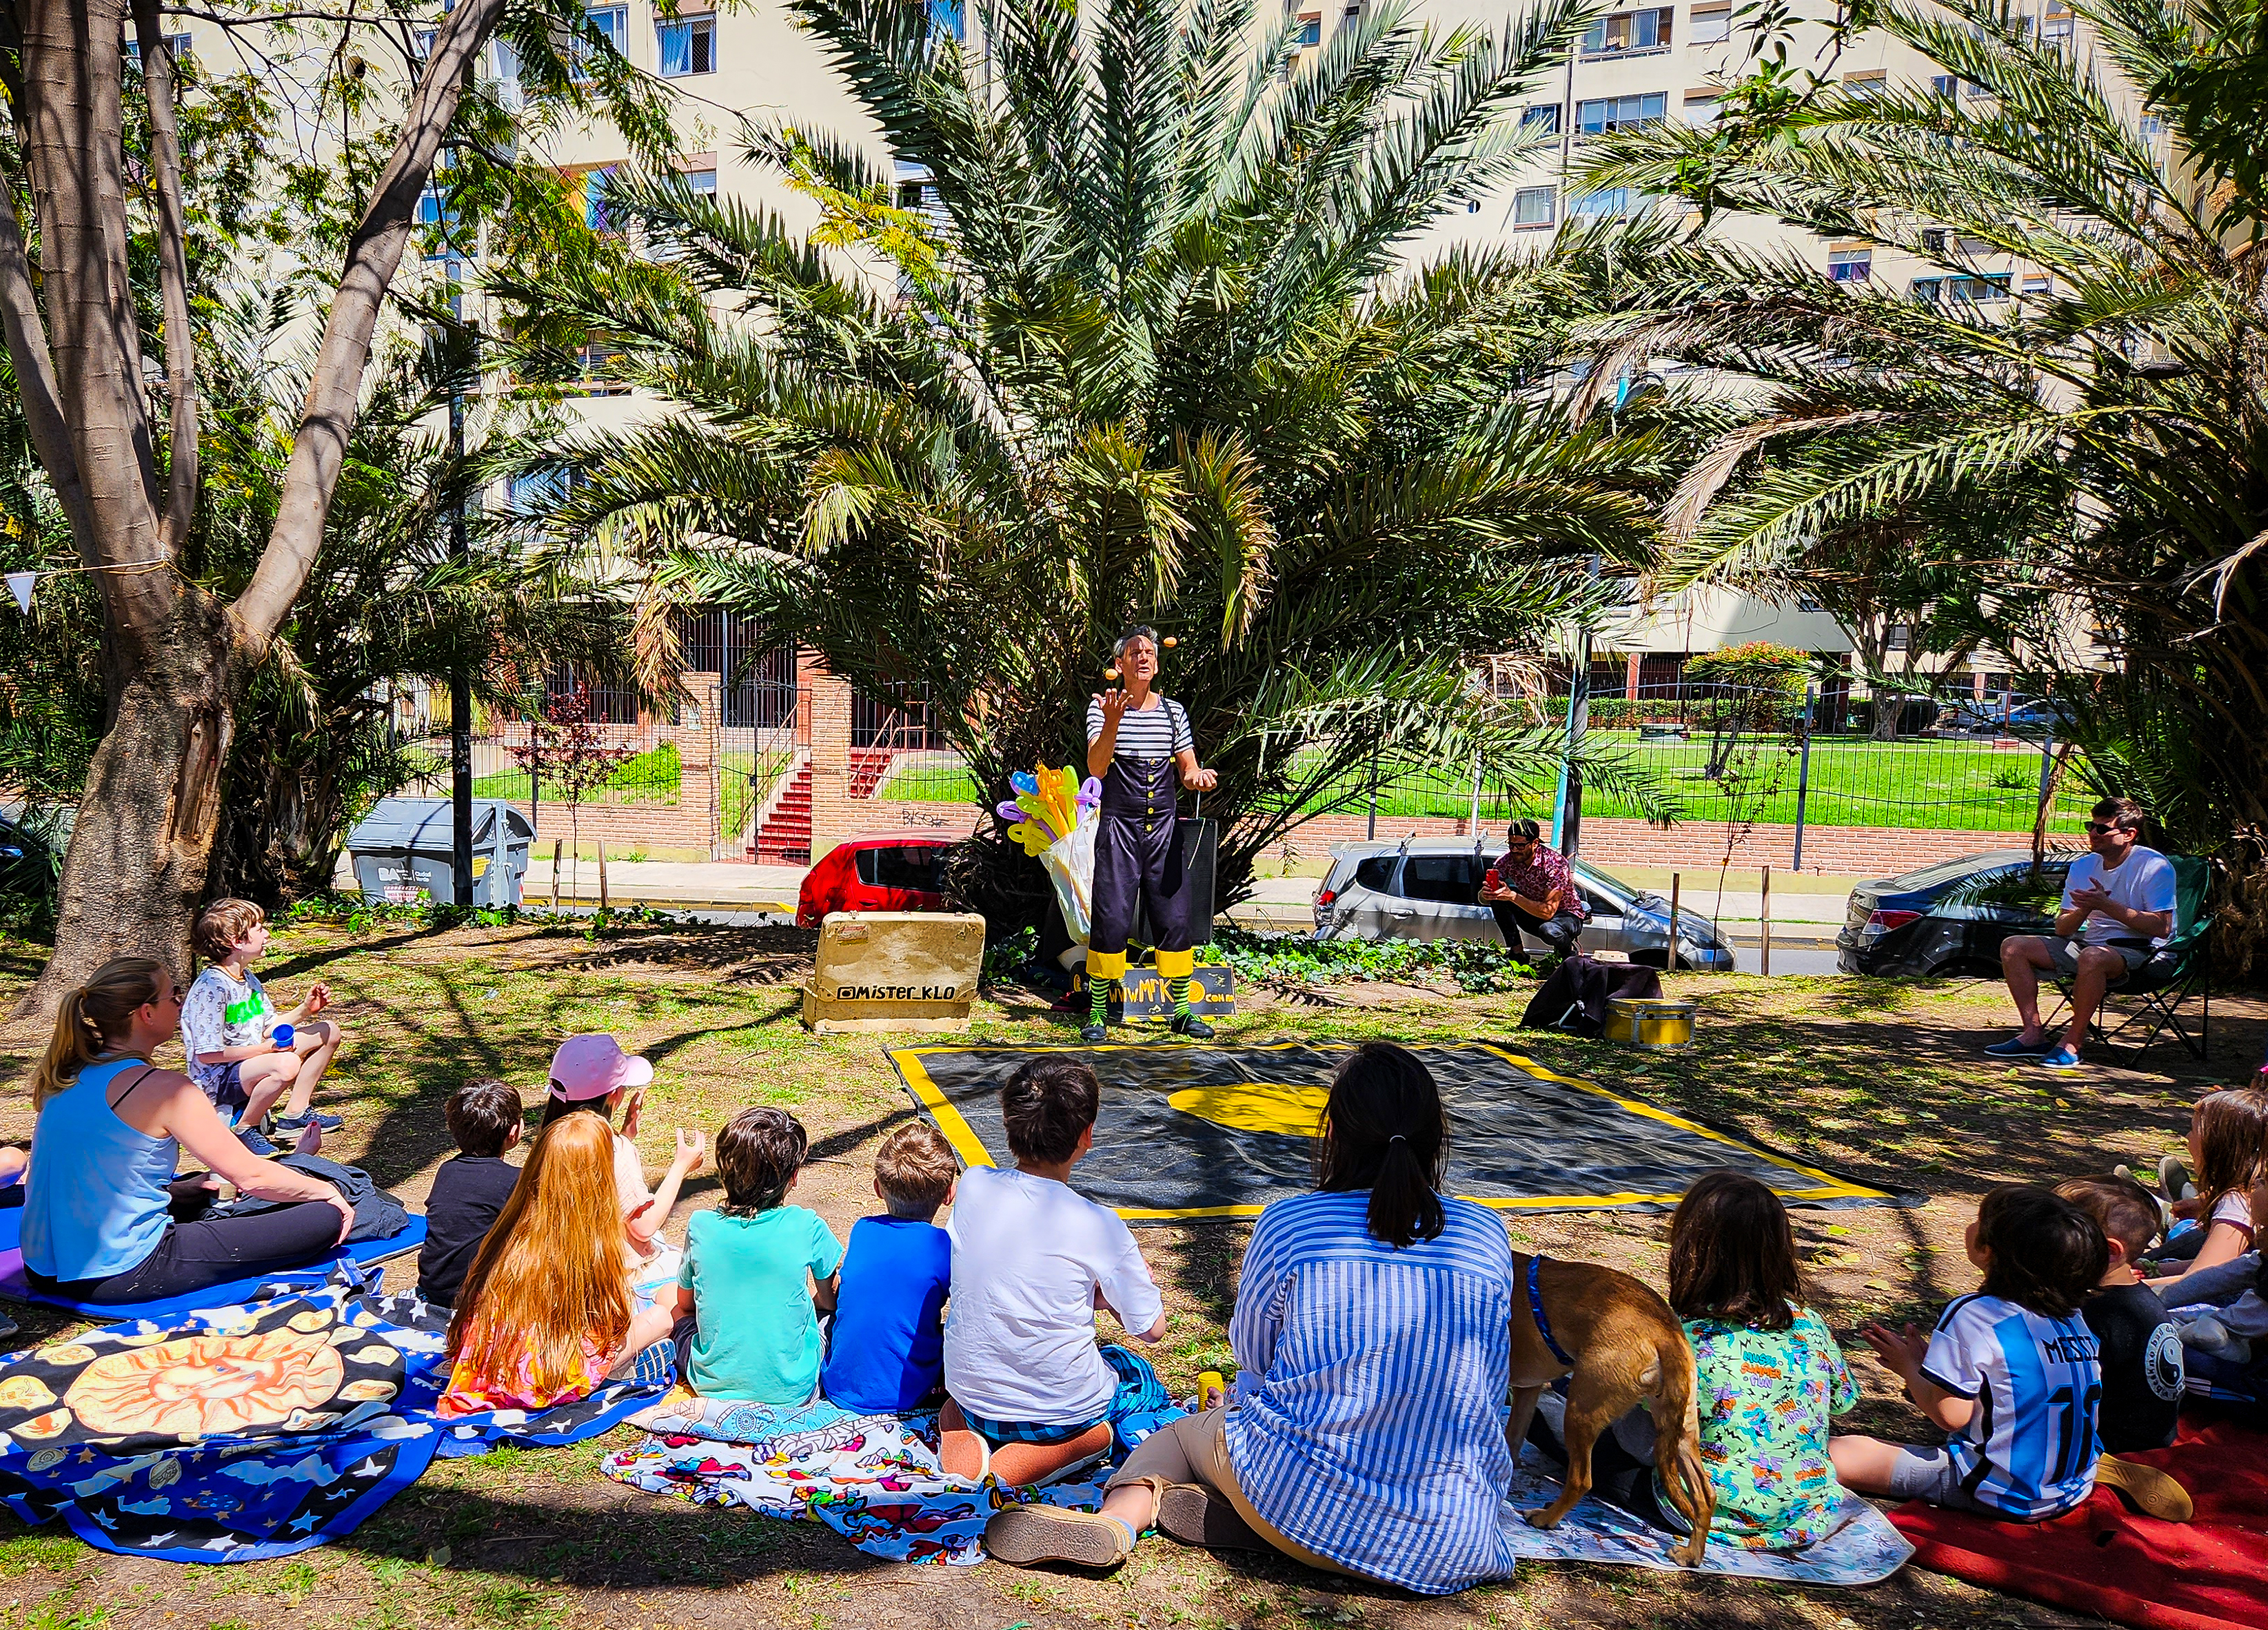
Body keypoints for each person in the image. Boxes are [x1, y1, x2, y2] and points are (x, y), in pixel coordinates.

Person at [984, 1043, 1523, 1595]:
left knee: (1175, 1437)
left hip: (1306, 1498)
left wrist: (1240, 1409)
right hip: (1460, 1536)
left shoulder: (1292, 1222)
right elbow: (1492, 1377)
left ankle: (1117, 1521)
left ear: (1332, 1132)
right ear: (1438, 1133)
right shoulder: (1487, 1233)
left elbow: (1255, 1354)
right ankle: (1252, 1526)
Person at [1526, 1170, 1861, 1551]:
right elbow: (1842, 1400)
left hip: (1696, 1505)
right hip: (1807, 1509)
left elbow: (1641, 1443)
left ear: (1689, 1250)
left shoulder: (1684, 1338)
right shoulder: (1811, 1325)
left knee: (1548, 1414)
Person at [23, 957, 356, 1305]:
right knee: (324, 1215)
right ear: (146, 1013)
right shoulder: (166, 1089)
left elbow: (90, 1169)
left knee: (202, 1186)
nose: (181, 1004)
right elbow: (251, 1176)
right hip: (120, 1272)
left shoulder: (64, 1076)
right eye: (174, 996)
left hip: (42, 1267)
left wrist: (181, 1191)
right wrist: (328, 1193)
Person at [1829, 1184, 2171, 1520]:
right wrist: (1929, 1368)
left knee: (1838, 1454)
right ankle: (2087, 1464)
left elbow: (1951, 1416)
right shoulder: (2073, 1316)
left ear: (1987, 1250)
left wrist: (1910, 1367)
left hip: (2001, 1492)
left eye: (1979, 1218)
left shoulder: (1976, 1313)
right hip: (2073, 1486)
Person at [942, 1058, 1168, 1485]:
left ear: (1008, 1120)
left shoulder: (973, 1184)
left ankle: (961, 1430)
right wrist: (1109, 1303)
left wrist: (1089, 1296)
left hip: (970, 1392)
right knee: (1136, 1375)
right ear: (1087, 1134)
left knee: (966, 1401)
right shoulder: (1100, 1224)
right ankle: (1071, 1447)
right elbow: (1151, 1329)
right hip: (1058, 1410)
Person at [438, 1112, 676, 1416]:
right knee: (663, 1314)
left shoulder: (512, 1228)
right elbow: (606, 1328)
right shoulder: (590, 1247)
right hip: (548, 1376)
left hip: (490, 1365)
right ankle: (624, 1373)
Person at [1081, 624, 1219, 1044]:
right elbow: (1097, 768)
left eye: (1150, 653)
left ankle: (1180, 1013)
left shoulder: (1174, 712)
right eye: (1136, 652)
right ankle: (1099, 1014)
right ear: (1119, 663)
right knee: (1112, 915)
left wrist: (1196, 777)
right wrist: (1112, 722)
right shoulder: (1100, 708)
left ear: (1156, 665)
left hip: (1164, 828)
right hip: (1119, 826)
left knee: (1174, 917)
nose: (1145, 657)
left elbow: (1186, 765)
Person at [665, 1108, 843, 1403]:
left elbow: (686, 1304)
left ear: (724, 1173)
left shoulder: (701, 1225)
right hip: (794, 1389)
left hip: (711, 1386)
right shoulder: (807, 1225)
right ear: (794, 1176)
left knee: (669, 1303)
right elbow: (828, 1301)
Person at [1989, 797, 2177, 1068]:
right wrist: (2084, 910)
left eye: (2102, 829)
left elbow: (2162, 927)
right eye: (2091, 826)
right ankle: (2032, 1034)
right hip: (2089, 943)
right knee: (2014, 946)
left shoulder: (2153, 866)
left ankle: (2073, 1042)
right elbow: (2063, 928)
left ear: (2129, 834)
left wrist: (2107, 906)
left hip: (2143, 950)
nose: (2092, 833)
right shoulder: (2083, 866)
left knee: (2092, 957)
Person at [540, 1034, 704, 1301]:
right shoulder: (614, 1149)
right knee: (694, 1272)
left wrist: (627, 1134)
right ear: (616, 1094)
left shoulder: (549, 1140)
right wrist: (681, 1166)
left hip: (562, 1269)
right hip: (612, 1279)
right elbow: (643, 1227)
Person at [820, 1121, 958, 1414]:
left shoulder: (863, 1230)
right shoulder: (942, 1246)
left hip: (837, 1386)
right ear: (949, 1195)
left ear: (877, 1188)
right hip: (911, 1395)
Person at [179, 897, 347, 1137]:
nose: (267, 934)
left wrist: (305, 1010)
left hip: (253, 1063)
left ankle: (295, 1115)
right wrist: (266, 1050)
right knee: (286, 1064)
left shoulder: (248, 980)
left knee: (328, 1031)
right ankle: (245, 1128)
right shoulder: (212, 987)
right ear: (237, 941)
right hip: (219, 1080)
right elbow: (208, 1054)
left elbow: (270, 1028)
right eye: (259, 929)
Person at [2056, 1175, 2184, 1453]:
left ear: (2111, 1252)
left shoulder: (2095, 1314)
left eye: (2057, 1232)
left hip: (2112, 1446)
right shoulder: (2140, 1300)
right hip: (2152, 1437)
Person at [2144, 1087, 2268, 1292]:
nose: (2187, 1137)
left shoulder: (2237, 1202)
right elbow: (2217, 1266)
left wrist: (2127, 1290)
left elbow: (2202, 1278)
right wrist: (2153, 1269)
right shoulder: (2244, 1192)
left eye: (2193, 1130)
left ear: (2217, 1146)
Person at [417, 1078, 527, 1310]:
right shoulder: (515, 1180)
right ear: (514, 1132)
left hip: (433, 1287)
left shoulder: (447, 1171)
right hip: (477, 1296)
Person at [1479, 818, 1588, 958]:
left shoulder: (1555, 864)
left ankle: (1569, 954)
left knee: (1549, 930)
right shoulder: (1506, 861)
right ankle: (1517, 953)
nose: (1514, 850)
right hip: (1534, 913)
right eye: (1511, 845)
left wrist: (1513, 896)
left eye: (1520, 846)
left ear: (1535, 843)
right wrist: (1486, 894)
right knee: (1498, 901)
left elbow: (1548, 912)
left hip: (1566, 916)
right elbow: (1482, 899)